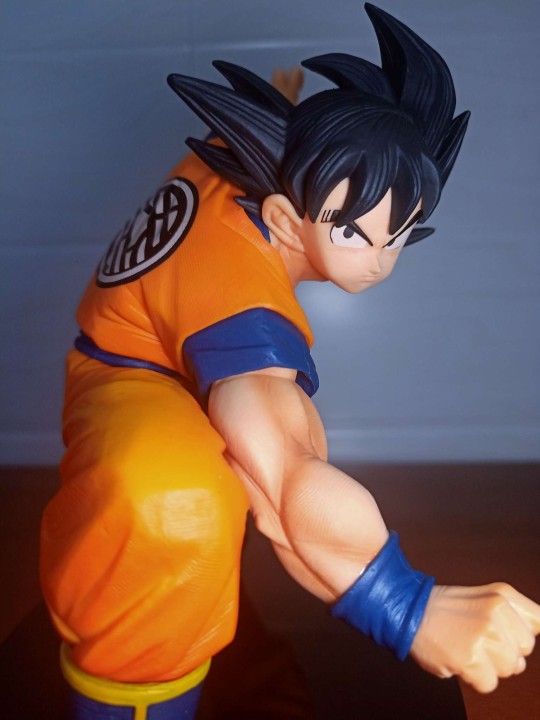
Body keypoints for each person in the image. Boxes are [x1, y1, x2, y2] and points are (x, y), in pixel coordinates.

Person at [40, 4, 540, 719]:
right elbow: (287, 475)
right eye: (356, 233)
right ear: (281, 218)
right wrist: (408, 607)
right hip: (131, 372)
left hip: (162, 340)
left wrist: (289, 99)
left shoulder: (258, 155)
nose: (381, 261)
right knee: (175, 502)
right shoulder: (242, 308)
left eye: (401, 231)